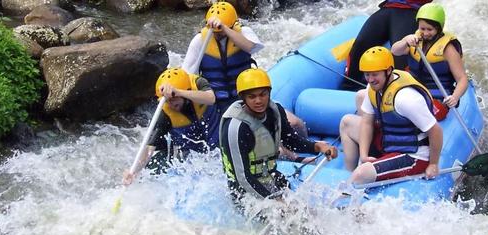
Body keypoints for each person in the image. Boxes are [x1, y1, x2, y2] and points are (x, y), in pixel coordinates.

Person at [182, 1, 309, 162]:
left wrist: (226, 29)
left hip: (247, 96)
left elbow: (251, 47)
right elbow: (187, 75)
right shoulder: (200, 40)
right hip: (219, 104)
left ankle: (305, 147)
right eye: (215, 30)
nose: (217, 33)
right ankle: (295, 158)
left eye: (221, 29)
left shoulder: (244, 32)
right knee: (261, 137)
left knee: (296, 123)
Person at [219, 68, 338, 205]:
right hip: (243, 191)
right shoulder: (236, 128)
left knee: (303, 212)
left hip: (270, 176)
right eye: (252, 97)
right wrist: (274, 201)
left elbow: (291, 141)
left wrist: (318, 146)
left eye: (263, 94)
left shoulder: (275, 111)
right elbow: (243, 178)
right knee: (284, 215)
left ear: (269, 93)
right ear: (243, 98)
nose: (258, 101)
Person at [339, 46, 442, 185]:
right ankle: (348, 174)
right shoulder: (373, 87)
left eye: (375, 74)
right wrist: (363, 155)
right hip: (389, 143)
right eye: (367, 74)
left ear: (388, 71)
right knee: (347, 122)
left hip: (413, 155)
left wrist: (433, 164)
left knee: (361, 174)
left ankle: (347, 192)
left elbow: (435, 131)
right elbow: (367, 122)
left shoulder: (406, 99)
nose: (370, 79)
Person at [122, 68, 217, 184]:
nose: (171, 103)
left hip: (216, 145)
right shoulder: (165, 114)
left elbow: (211, 98)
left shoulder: (198, 84)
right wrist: (134, 172)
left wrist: (178, 92)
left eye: (174, 98)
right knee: (154, 165)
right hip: (192, 156)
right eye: (168, 100)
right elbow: (149, 148)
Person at [342, 0, 432, 90]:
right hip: (389, 6)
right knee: (360, 46)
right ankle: (349, 87)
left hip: (411, 10)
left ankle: (401, 91)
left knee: (400, 59)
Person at [391, 2, 468, 108]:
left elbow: (462, 78)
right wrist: (405, 41)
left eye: (430, 29)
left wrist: (455, 97)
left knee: (435, 112)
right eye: (422, 29)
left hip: (438, 92)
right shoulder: (414, 39)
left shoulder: (448, 49)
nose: (426, 33)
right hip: (413, 85)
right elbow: (395, 51)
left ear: (438, 29)